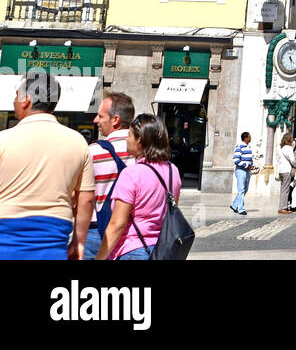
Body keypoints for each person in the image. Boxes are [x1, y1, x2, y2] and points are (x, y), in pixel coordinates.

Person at [0, 70, 95, 259]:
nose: (14, 101)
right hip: (54, 238)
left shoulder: (3, 139)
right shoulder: (77, 142)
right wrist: (80, 241)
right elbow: (87, 198)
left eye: (16, 95)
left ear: (26, 99)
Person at [94, 113, 181, 260]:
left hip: (132, 250)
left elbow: (117, 224)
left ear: (139, 140)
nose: (127, 140)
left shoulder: (131, 174)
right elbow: (170, 214)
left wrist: (100, 258)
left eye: (129, 135)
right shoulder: (173, 171)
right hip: (162, 250)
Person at [86, 91, 135, 260]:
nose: (95, 121)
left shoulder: (92, 152)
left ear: (115, 119)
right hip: (132, 235)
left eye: (100, 116)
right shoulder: (143, 154)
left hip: (96, 231)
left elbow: (83, 197)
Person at [230, 131, 254, 215]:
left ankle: (234, 205)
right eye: (249, 136)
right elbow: (236, 160)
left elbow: (249, 159)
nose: (250, 138)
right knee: (241, 190)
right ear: (246, 138)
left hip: (247, 171)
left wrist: (251, 165)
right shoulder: (239, 147)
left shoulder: (249, 147)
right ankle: (241, 209)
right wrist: (246, 165)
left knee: (245, 189)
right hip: (241, 171)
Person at [275, 133, 295, 214]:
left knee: (283, 189)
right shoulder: (289, 148)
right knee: (286, 190)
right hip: (287, 170)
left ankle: (282, 206)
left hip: (281, 170)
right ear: (289, 139)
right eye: (291, 138)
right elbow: (292, 160)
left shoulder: (281, 148)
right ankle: (283, 208)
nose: (292, 139)